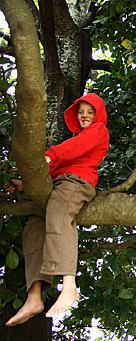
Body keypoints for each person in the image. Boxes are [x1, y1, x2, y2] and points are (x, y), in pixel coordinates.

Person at [5, 93, 109, 326]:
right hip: (59, 183)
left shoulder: (98, 131)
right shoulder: (76, 137)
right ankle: (34, 296)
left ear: (98, 115)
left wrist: (49, 155)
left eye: (90, 112)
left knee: (59, 216)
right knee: (34, 226)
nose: (84, 116)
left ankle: (70, 285)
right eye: (81, 112)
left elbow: (73, 148)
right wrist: (23, 184)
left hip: (76, 182)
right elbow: (56, 168)